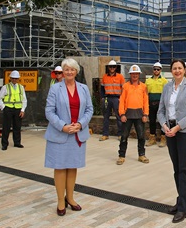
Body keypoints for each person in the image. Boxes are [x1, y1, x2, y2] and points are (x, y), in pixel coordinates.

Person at [44, 58, 93, 216]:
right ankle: (60, 200)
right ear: (62, 72)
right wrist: (63, 126)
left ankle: (70, 198)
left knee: (72, 166)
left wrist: (80, 124)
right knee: (60, 167)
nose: (69, 72)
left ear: (76, 71)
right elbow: (49, 111)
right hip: (60, 134)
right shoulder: (55, 89)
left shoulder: (84, 88)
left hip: (77, 134)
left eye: (72, 69)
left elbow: (89, 109)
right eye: (66, 69)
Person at [157, 59, 186, 223]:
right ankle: (180, 199)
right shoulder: (167, 87)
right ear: (171, 71)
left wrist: (177, 127)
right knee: (176, 168)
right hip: (170, 132)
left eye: (180, 68)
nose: (177, 71)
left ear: (185, 70)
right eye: (174, 68)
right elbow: (161, 111)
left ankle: (183, 207)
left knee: (184, 169)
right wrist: (164, 126)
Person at [117, 65, 150, 165]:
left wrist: (145, 114)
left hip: (140, 115)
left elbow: (145, 101)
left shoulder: (143, 86)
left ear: (139, 74)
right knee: (124, 136)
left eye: (136, 74)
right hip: (127, 115)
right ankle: (121, 156)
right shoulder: (125, 86)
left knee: (141, 136)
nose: (135, 75)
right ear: (130, 74)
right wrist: (122, 114)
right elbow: (121, 101)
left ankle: (141, 155)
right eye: (133, 73)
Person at [0, 70, 27, 150]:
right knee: (6, 127)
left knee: (17, 127)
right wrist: (4, 108)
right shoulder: (5, 87)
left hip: (18, 109)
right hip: (8, 109)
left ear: (18, 79)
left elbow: (24, 99)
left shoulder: (21, 87)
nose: (14, 80)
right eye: (13, 78)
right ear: (10, 78)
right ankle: (4, 144)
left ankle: (17, 142)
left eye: (16, 78)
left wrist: (22, 110)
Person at [100, 60, 125, 141]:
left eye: (113, 67)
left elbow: (123, 88)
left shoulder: (120, 77)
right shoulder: (104, 77)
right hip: (107, 98)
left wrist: (121, 98)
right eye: (110, 67)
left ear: (116, 67)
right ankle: (105, 134)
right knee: (106, 116)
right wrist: (103, 97)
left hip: (116, 98)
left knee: (119, 116)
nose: (112, 68)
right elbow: (102, 88)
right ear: (108, 67)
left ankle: (120, 134)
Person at [145, 62, 168, 147]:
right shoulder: (148, 81)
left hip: (161, 104)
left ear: (160, 70)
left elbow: (166, 93)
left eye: (158, 69)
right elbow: (146, 93)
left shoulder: (164, 81)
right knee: (152, 121)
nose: (156, 71)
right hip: (151, 104)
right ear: (153, 70)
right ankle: (152, 138)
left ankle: (163, 138)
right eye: (155, 69)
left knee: (163, 121)